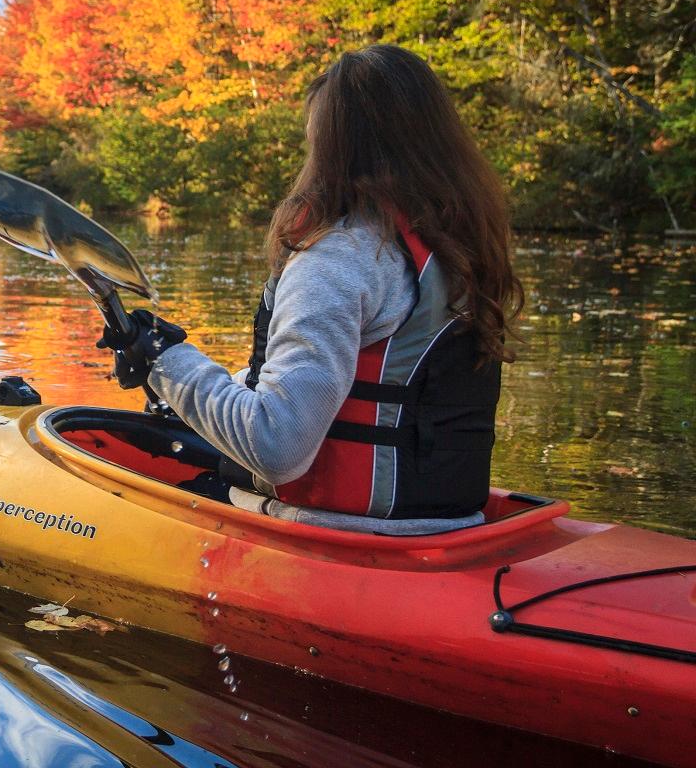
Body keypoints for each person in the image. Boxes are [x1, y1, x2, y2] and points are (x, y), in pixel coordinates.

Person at [102, 45, 523, 533]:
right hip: (453, 527)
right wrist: (180, 388)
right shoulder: (458, 251)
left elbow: (277, 447)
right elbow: (362, 384)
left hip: (339, 534)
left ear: (331, 146)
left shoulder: (337, 259)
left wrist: (163, 359)